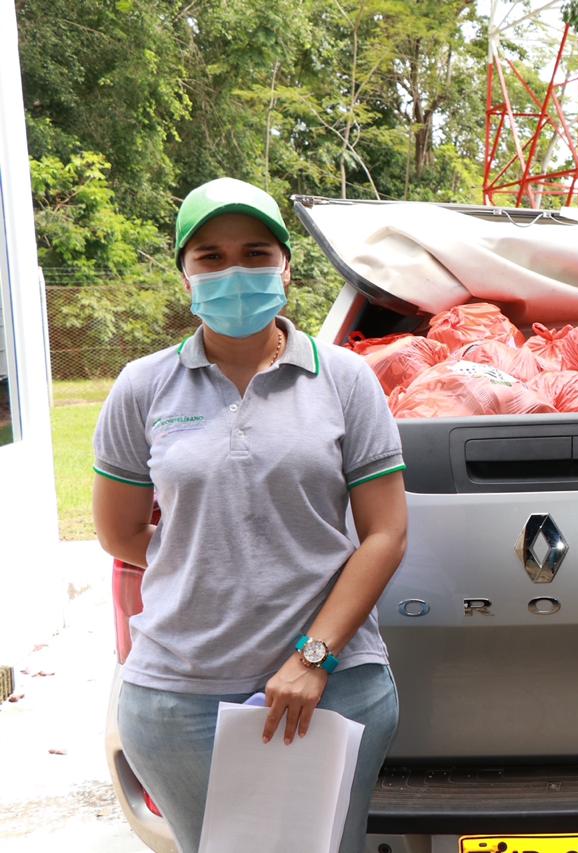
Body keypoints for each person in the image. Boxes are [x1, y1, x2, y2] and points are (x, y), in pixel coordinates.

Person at [92, 177, 408, 853]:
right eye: (209, 256)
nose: (234, 270)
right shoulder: (141, 387)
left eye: (256, 252)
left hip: (329, 689)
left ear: (286, 269)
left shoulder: (345, 380)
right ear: (185, 276)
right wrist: (212, 558)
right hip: (179, 701)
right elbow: (119, 532)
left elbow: (385, 532)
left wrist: (312, 655)